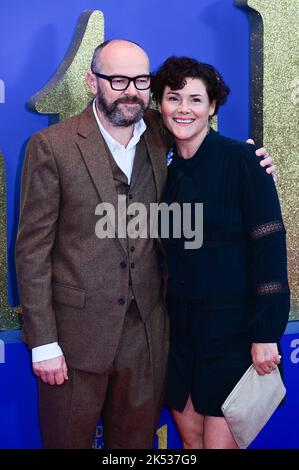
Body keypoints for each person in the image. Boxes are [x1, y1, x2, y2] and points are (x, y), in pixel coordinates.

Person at [15, 40, 275, 449]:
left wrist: (252, 160)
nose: (130, 90)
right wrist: (44, 342)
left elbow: (207, 149)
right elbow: (31, 251)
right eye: (117, 80)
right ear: (91, 81)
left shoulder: (162, 130)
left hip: (149, 339)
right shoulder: (52, 147)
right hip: (75, 340)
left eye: (140, 80)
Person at [151, 56, 290, 449]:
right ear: (159, 105)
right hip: (179, 338)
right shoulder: (163, 172)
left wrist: (267, 333)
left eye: (195, 99)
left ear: (212, 106)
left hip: (235, 336)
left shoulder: (243, 160)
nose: (183, 109)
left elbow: (270, 247)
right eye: (173, 98)